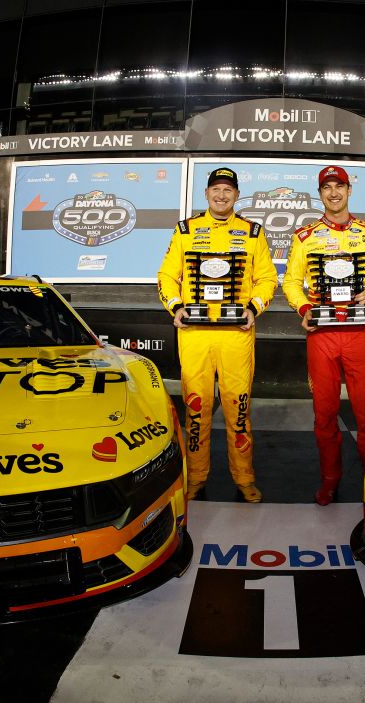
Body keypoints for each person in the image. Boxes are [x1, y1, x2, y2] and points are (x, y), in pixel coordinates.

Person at [156, 167, 277, 504]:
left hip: (235, 335)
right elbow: (167, 275)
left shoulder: (253, 232)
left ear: (237, 195)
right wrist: (176, 306)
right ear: (206, 194)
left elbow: (267, 279)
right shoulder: (186, 230)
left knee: (238, 409)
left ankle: (244, 478)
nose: (222, 196)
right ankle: (195, 477)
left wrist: (253, 308)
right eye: (216, 190)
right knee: (196, 408)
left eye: (228, 190)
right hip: (194, 333)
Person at [284, 164, 365, 506]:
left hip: (359, 332)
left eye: (339, 186)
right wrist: (305, 309)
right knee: (324, 414)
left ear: (349, 191)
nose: (333, 193)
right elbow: (290, 282)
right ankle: (330, 479)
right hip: (322, 334)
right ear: (320, 194)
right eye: (326, 188)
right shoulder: (304, 237)